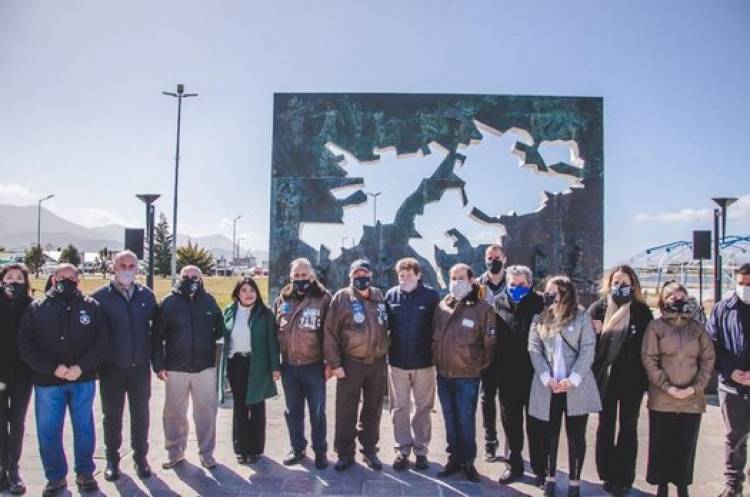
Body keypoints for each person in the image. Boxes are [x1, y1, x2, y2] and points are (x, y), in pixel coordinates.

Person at [17, 263, 110, 496]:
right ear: (53, 278)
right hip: (49, 382)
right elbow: (26, 345)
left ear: (78, 280)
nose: (67, 280)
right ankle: (55, 477)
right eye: (62, 276)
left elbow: (102, 342)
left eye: (72, 276)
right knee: (48, 430)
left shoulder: (92, 307)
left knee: (84, 428)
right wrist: (53, 368)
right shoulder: (37, 308)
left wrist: (82, 367)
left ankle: (85, 472)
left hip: (82, 380)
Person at [528, 275, 601, 497]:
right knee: (549, 434)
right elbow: (534, 349)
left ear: (565, 294)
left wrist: (574, 378)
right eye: (546, 291)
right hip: (548, 387)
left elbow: (588, 348)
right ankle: (550, 479)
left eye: (553, 292)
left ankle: (574, 482)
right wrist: (546, 378)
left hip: (575, 387)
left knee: (576, 436)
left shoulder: (581, 318)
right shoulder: (540, 318)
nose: (548, 296)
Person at [642, 281, 715, 497]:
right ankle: (661, 486)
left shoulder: (697, 328)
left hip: (691, 399)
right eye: (673, 297)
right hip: (663, 397)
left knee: (686, 445)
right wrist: (667, 387)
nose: (679, 301)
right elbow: (649, 359)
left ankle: (682, 486)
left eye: (682, 297)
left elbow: (708, 359)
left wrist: (695, 388)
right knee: (661, 443)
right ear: (664, 300)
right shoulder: (656, 327)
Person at [91, 250, 158, 481]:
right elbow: (93, 335)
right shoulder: (99, 297)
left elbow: (156, 332)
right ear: (114, 267)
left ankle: (141, 457)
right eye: (122, 265)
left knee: (141, 414)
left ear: (137, 269)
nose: (127, 269)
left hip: (139, 367)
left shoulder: (147, 296)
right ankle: (112, 459)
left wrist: (157, 363)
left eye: (131, 265)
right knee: (112, 415)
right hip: (112, 368)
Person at [587, 265, 653, 496]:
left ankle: (624, 477)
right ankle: (606, 473)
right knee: (605, 426)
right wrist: (594, 332)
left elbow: (648, 348)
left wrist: (646, 381)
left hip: (632, 379)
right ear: (609, 283)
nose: (620, 287)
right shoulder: (598, 308)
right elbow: (585, 344)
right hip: (605, 378)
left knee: (628, 427)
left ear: (633, 285)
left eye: (625, 283)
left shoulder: (642, 312)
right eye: (616, 282)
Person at [152, 265, 224, 470]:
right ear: (179, 278)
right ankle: (175, 452)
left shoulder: (209, 301)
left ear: (201, 280)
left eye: (195, 276)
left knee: (207, 413)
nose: (191, 279)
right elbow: (156, 337)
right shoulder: (168, 303)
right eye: (186, 276)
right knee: (173, 413)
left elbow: (220, 327)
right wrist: (158, 365)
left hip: (204, 368)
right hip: (176, 368)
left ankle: (207, 453)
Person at [433, 263, 496, 483]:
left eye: (461, 278)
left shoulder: (482, 309)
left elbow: (489, 343)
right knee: (450, 419)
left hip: (467, 376)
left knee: (465, 420)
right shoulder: (443, 306)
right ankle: (454, 458)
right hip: (444, 374)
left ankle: (468, 461)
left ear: (470, 280)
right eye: (453, 278)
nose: (456, 282)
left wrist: (477, 366)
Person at [324, 259, 389, 471]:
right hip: (351, 363)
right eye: (356, 275)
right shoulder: (341, 297)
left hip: (377, 364)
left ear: (370, 276)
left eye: (364, 274)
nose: (361, 278)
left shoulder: (379, 296)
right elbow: (330, 333)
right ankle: (344, 452)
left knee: (373, 409)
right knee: (346, 410)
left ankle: (369, 449)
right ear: (350, 276)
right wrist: (335, 364)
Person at [273, 258, 331, 469]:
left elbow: (330, 334)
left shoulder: (323, 299)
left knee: (317, 411)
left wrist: (330, 363)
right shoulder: (282, 298)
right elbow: (274, 330)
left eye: (304, 275)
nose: (300, 279)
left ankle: (320, 451)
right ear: (291, 277)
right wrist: (275, 364)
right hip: (289, 366)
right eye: (296, 275)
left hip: (313, 365)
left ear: (311, 276)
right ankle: (297, 448)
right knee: (292, 411)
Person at [492, 265, 546, 486]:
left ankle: (541, 469)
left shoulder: (540, 303)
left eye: (521, 284)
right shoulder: (498, 302)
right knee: (511, 424)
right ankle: (514, 464)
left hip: (535, 375)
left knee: (536, 426)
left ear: (530, 283)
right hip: (507, 376)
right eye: (512, 284)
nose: (516, 288)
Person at [385, 257, 440, 471]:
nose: (405, 278)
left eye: (409, 274)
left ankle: (421, 450)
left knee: (423, 408)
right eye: (401, 275)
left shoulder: (431, 296)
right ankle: (402, 450)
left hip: (424, 363)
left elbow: (438, 327)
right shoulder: (391, 295)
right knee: (399, 408)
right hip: (397, 362)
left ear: (418, 275)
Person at [218, 276, 280, 464]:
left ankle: (255, 449)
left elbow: (272, 342)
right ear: (237, 293)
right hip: (236, 364)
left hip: (258, 364)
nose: (248, 294)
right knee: (240, 406)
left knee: (257, 406)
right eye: (244, 290)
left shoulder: (265, 313)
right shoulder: (229, 311)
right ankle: (241, 448)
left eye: (252, 290)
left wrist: (275, 367)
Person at [708, 263, 750, 497]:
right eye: (741, 283)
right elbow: (713, 344)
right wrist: (730, 371)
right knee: (734, 437)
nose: (745, 288)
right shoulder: (722, 309)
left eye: (749, 284)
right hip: (731, 386)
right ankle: (733, 487)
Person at [0, 263, 34, 494]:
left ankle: (14, 469)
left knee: (18, 421)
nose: (13, 281)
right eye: (9, 277)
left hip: (23, 374)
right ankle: (1, 467)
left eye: (18, 278)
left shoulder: (33, 306)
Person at [476, 244, 508, 461]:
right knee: (487, 398)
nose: (493, 260)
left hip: (509, 349)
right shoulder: (477, 285)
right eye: (489, 257)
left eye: (497, 257)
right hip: (486, 349)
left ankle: (510, 443)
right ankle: (490, 441)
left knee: (509, 400)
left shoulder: (514, 282)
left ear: (504, 259)